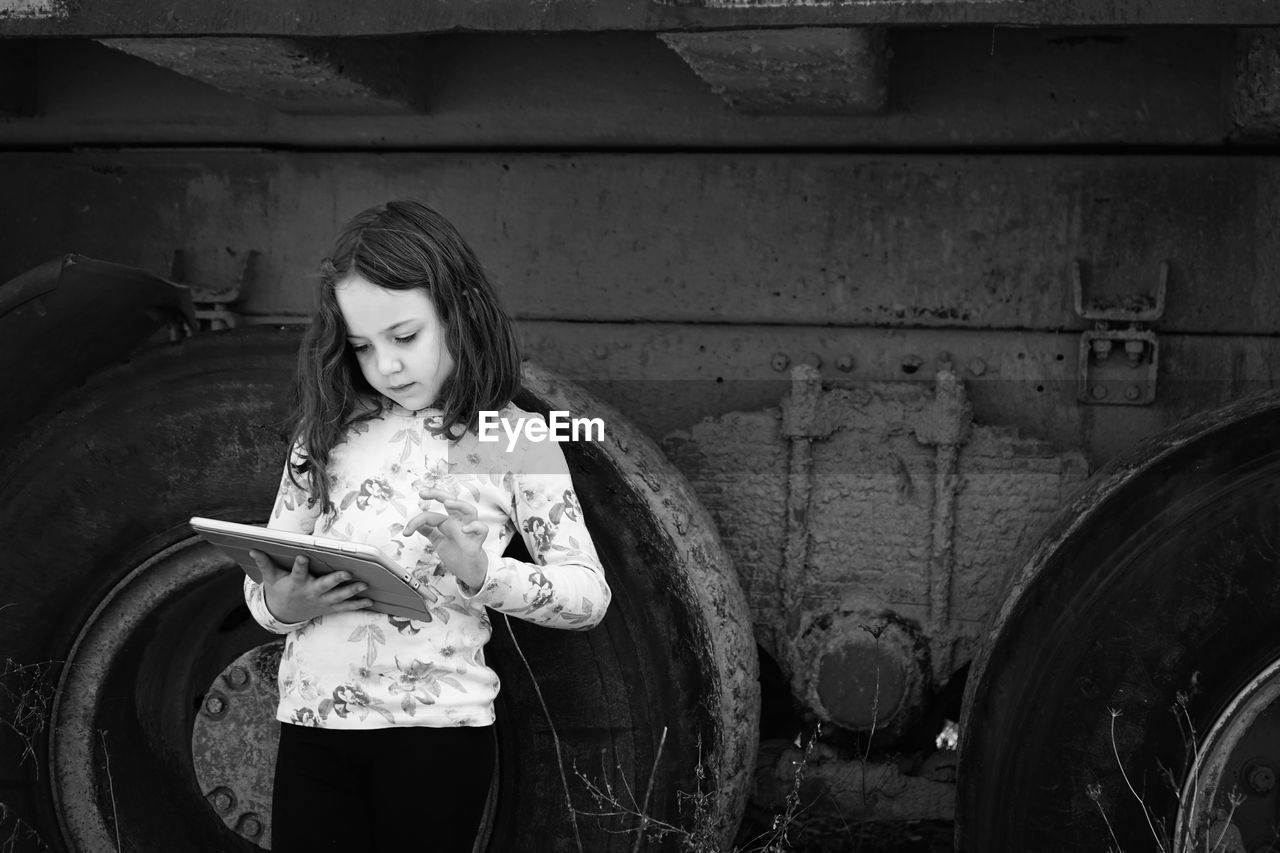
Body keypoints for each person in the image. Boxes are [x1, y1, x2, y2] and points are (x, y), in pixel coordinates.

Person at [242, 199, 612, 852]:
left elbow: (587, 595)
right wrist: (280, 601)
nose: (385, 364)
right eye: (362, 345)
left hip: (436, 734)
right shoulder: (324, 431)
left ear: (459, 309)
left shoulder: (516, 436)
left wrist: (484, 573)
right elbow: (265, 582)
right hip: (313, 723)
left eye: (404, 336)